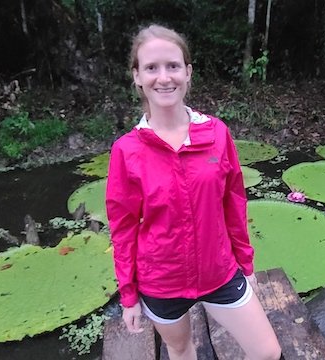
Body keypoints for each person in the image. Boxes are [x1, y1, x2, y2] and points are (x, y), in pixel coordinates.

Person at [105, 24, 282, 360]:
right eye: (151, 68)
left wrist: (245, 264)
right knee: (180, 348)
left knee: (268, 353)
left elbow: (234, 203)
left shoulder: (216, 134)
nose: (164, 77)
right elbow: (123, 227)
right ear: (137, 77)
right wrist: (128, 295)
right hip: (161, 281)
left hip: (220, 271)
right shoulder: (126, 151)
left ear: (187, 73)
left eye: (172, 66)